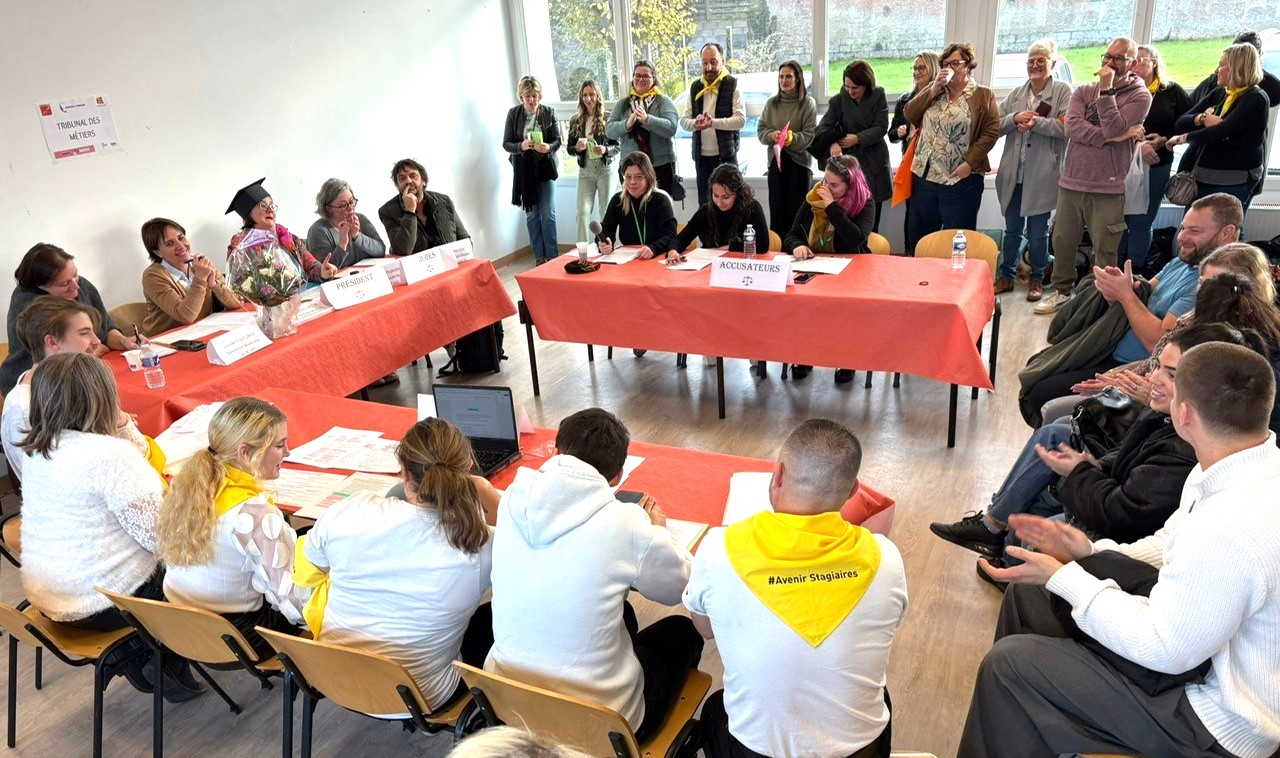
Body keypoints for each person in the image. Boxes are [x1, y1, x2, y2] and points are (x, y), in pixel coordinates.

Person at [958, 341, 1280, 758]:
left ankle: (1027, 715)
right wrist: (1089, 551)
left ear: (1184, 413)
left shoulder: (1228, 525)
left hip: (1214, 721)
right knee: (1029, 593)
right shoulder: (1240, 467)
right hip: (1201, 663)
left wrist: (1066, 576)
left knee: (1008, 667)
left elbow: (1164, 646)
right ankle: (1028, 731)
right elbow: (1168, 546)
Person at [932, 326, 1245, 580]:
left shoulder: (1183, 449)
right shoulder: (1164, 416)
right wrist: (1092, 463)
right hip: (1115, 501)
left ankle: (1005, 551)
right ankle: (993, 529)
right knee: (1051, 445)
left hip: (1120, 528)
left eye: (1171, 374)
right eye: (1158, 367)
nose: (1153, 379)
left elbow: (1121, 515)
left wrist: (1080, 472)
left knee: (1026, 530)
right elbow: (1125, 455)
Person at [685, 419, 907, 758]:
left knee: (717, 708)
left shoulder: (718, 548)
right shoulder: (885, 557)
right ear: (853, 491)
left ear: (777, 476)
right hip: (864, 751)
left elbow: (704, 629)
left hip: (756, 752)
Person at [486, 408, 703, 740]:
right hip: (601, 724)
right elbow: (681, 587)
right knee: (683, 631)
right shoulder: (625, 522)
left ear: (556, 451)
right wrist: (659, 531)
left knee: (622, 614)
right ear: (617, 477)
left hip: (509, 702)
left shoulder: (513, 498)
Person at [17, 352, 203, 700]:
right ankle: (158, 654)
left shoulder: (39, 448)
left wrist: (122, 425)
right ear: (102, 397)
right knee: (207, 559)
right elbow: (166, 542)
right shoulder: (109, 457)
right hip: (104, 604)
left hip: (50, 598)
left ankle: (139, 653)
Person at [303, 418, 498, 710]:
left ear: (403, 471)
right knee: (491, 612)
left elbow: (317, 565)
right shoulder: (483, 544)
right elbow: (520, 558)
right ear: (468, 468)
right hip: (420, 697)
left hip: (334, 678)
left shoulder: (351, 510)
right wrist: (485, 492)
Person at [1020, 192, 1242, 415]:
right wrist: (1115, 290)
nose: (1181, 237)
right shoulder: (1181, 263)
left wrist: (1125, 296)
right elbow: (1144, 293)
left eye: (1194, 231)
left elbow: (1158, 343)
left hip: (1131, 368)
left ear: (1226, 233)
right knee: (1036, 365)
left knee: (1040, 392)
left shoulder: (1209, 286)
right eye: (1183, 228)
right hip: (1109, 347)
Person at [1039, 242, 1279, 424]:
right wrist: (1120, 380)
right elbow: (1158, 364)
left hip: (1167, 420)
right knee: (1051, 408)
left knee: (1058, 418)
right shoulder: (1193, 318)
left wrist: (1144, 393)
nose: (1202, 290)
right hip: (1148, 393)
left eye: (1213, 283)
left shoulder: (1243, 345)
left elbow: (1213, 414)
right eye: (1201, 281)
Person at [156, 398, 308, 657]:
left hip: (178, 625)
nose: (288, 452)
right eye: (279, 445)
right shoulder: (254, 514)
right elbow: (293, 604)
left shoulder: (190, 487)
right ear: (245, 453)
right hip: (237, 637)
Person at [1036, 37, 1153, 314]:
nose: (1110, 63)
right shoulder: (1083, 91)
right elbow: (1072, 129)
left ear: (1133, 64)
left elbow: (1113, 127)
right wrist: (1117, 137)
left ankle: (1101, 300)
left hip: (1108, 186)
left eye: (1119, 58)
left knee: (1105, 248)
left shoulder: (1140, 96)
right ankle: (1062, 292)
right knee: (1062, 240)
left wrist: (1107, 91)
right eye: (1107, 56)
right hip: (1072, 180)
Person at [994, 39, 1073, 301]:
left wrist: (1037, 123)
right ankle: (1006, 276)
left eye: (1041, 60)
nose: (1035, 65)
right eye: (1031, 61)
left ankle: (1037, 278)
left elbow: (1067, 128)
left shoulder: (1063, 91)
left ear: (1052, 63)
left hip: (1042, 176)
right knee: (1012, 230)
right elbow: (995, 125)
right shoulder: (1017, 94)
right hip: (1013, 175)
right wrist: (1014, 118)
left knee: (1038, 233)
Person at [1, 243, 136, 394]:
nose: (76, 287)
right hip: (44, 386)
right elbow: (56, 357)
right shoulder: (31, 306)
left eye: (75, 274)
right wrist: (95, 350)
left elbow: (106, 328)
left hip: (81, 372)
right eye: (64, 283)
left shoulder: (81, 285)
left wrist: (123, 341)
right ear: (40, 287)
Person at [903, 42, 1001, 251]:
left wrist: (969, 163)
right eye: (945, 64)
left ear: (968, 66)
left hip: (960, 180)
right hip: (925, 177)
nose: (949, 68)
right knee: (921, 241)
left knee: (956, 242)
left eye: (955, 63)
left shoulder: (983, 95)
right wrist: (932, 90)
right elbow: (910, 113)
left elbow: (991, 132)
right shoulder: (935, 89)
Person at [2, 297, 102, 479]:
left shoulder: (64, 382)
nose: (97, 341)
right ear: (53, 342)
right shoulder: (23, 410)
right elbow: (44, 479)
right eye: (84, 333)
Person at [1167, 42, 1270, 212]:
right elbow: (1180, 123)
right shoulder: (1220, 92)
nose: (1216, 70)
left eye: (1221, 65)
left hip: (1234, 181)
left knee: (1224, 226)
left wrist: (1182, 139)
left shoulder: (1256, 98)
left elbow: (1221, 132)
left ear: (1237, 68)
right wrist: (1201, 118)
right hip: (1202, 176)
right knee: (1193, 224)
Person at [1118, 45, 1189, 272]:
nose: (1135, 65)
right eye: (1132, 60)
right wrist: (1139, 146)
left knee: (1142, 221)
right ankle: (1115, 268)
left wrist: (1165, 140)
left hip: (1157, 165)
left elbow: (1187, 124)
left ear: (1154, 62)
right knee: (1118, 221)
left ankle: (1135, 272)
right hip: (1121, 164)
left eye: (1140, 60)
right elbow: (1110, 128)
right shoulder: (1123, 89)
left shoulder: (1171, 91)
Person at [815, 61, 892, 233]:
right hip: (848, 167)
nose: (850, 91)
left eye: (855, 87)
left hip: (872, 162)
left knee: (871, 222)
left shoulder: (878, 95)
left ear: (867, 84)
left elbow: (881, 127)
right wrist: (833, 142)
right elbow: (822, 128)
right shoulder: (838, 101)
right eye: (847, 86)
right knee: (847, 221)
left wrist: (858, 138)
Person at [140, 217, 245, 336]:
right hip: (165, 340)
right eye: (169, 243)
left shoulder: (200, 262)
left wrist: (213, 284)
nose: (181, 246)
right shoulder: (152, 276)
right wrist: (200, 279)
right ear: (157, 252)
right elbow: (186, 316)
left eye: (181, 238)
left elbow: (238, 301)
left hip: (199, 333)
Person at [226, 178, 338, 283]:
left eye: (271, 205)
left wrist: (322, 271)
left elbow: (311, 266)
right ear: (248, 214)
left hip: (303, 293)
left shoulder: (289, 238)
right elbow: (239, 284)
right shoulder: (240, 248)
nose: (270, 210)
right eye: (263, 206)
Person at [503, 76, 561, 265]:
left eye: (535, 96)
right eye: (528, 96)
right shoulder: (514, 114)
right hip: (524, 171)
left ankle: (552, 258)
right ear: (521, 97)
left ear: (540, 96)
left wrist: (548, 147)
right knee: (532, 215)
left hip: (546, 169)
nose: (532, 100)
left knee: (548, 214)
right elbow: (506, 143)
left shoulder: (549, 112)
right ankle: (539, 258)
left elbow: (557, 141)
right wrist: (521, 146)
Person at [680, 43, 745, 206]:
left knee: (731, 205)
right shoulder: (695, 87)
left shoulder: (732, 85)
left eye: (713, 62)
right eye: (704, 62)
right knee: (705, 206)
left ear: (723, 61)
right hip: (702, 159)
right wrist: (696, 124)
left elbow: (740, 120)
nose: (709, 67)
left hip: (726, 157)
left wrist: (712, 123)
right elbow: (684, 121)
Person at [758, 60, 817, 239]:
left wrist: (790, 139)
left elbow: (809, 135)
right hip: (776, 166)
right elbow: (761, 131)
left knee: (798, 216)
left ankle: (798, 249)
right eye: (781, 77)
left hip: (799, 166)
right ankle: (778, 251)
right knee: (777, 215)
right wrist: (772, 135)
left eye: (789, 76)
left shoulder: (808, 103)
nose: (784, 80)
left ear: (798, 79)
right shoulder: (771, 104)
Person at [888, 52, 940, 252]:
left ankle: (931, 254)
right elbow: (891, 135)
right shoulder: (904, 100)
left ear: (933, 68)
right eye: (915, 68)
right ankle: (910, 253)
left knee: (933, 216)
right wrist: (899, 132)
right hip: (910, 164)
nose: (916, 72)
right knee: (912, 214)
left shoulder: (941, 98)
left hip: (935, 166)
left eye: (921, 68)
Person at [606, 61, 681, 196]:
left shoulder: (663, 102)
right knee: (632, 206)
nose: (641, 79)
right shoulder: (622, 104)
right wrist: (627, 124)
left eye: (646, 76)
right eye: (637, 75)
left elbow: (671, 128)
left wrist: (647, 120)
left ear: (654, 78)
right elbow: (609, 131)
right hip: (629, 169)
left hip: (660, 167)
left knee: (659, 206)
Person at [377, 158, 470, 255]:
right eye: (402, 178)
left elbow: (465, 240)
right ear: (398, 185)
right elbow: (404, 250)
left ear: (423, 181)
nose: (408, 181)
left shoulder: (444, 202)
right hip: (417, 264)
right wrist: (410, 211)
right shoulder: (387, 211)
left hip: (450, 260)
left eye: (413, 176)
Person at [566, 80, 620, 243]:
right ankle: (582, 249)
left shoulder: (608, 117)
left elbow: (618, 146)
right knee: (582, 213)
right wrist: (577, 148)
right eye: (585, 95)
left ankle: (606, 246)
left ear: (598, 95)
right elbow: (569, 148)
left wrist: (605, 150)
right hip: (586, 171)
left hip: (605, 170)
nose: (588, 99)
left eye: (592, 94)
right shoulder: (576, 120)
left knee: (605, 212)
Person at [597, 151, 679, 260]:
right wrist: (603, 243)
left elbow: (671, 235)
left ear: (648, 177)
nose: (632, 182)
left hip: (657, 257)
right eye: (628, 177)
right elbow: (606, 230)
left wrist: (653, 248)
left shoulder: (661, 199)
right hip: (629, 260)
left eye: (638, 177)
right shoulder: (618, 200)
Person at [673, 163, 767, 254]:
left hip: (740, 262)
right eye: (716, 196)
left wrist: (729, 247)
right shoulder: (706, 210)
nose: (719, 203)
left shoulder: (752, 207)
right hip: (709, 262)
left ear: (738, 194)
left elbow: (762, 245)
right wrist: (673, 251)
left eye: (726, 197)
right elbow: (681, 238)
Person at [305, 178, 387, 269]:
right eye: (343, 205)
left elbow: (381, 250)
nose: (350, 208)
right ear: (328, 208)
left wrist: (357, 236)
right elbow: (324, 271)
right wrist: (342, 244)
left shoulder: (360, 219)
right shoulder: (318, 230)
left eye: (351, 202)